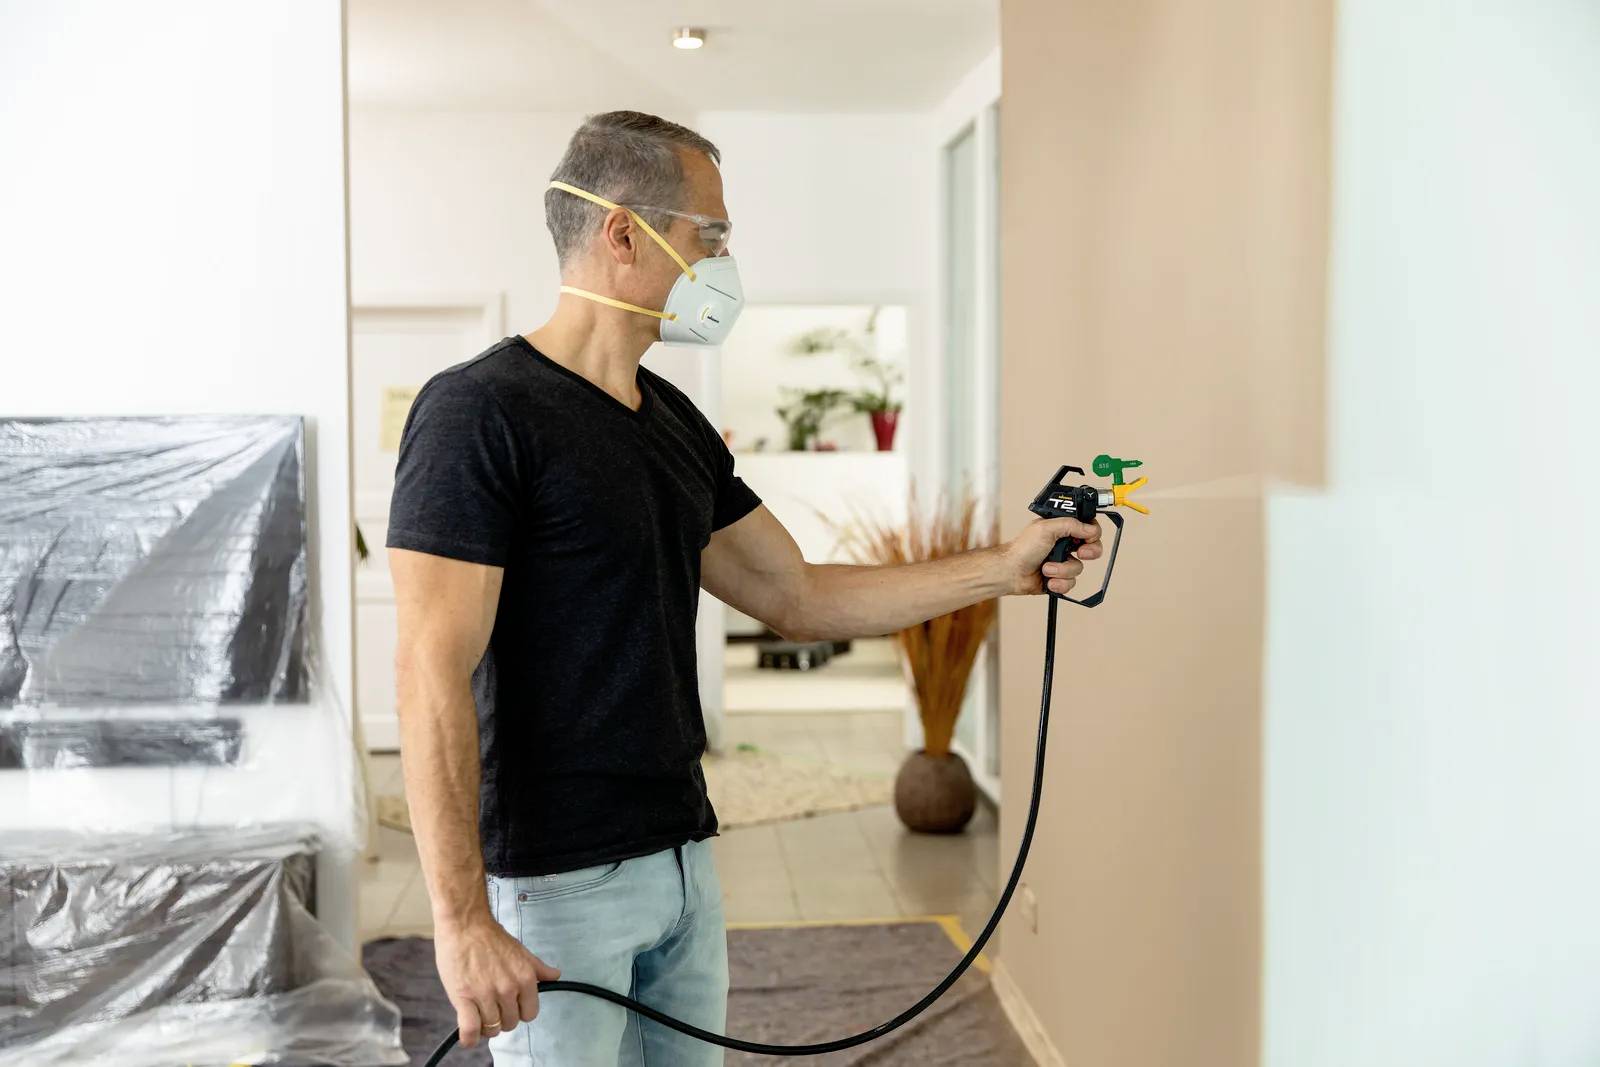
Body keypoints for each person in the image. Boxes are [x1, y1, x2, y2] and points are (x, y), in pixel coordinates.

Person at [386, 110, 1101, 1067]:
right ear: (623, 233)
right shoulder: (479, 411)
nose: (724, 262)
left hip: (683, 860)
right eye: (710, 235)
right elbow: (429, 667)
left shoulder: (672, 420)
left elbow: (797, 595)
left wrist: (1004, 567)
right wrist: (461, 919)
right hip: (554, 885)